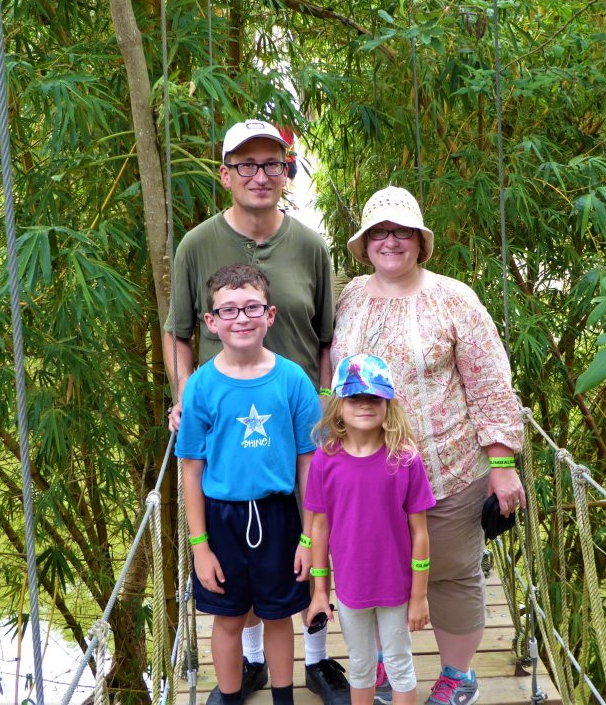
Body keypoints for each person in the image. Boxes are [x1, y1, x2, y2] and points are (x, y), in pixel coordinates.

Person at [162, 120, 348, 705]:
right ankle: (246, 670)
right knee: (239, 566)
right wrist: (187, 396)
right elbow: (179, 333)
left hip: (299, 417)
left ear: (287, 172)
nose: (259, 175)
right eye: (245, 165)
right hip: (224, 417)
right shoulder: (197, 245)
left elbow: (325, 339)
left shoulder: (311, 246)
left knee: (308, 539)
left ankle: (315, 660)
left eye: (272, 164)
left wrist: (325, 408)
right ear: (226, 175)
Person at [331, 187, 526, 705]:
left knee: (450, 572)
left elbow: (490, 383)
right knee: (374, 568)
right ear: (365, 243)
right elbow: (333, 376)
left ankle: (457, 675)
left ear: (420, 241)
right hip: (368, 472)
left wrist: (503, 463)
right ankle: (382, 666)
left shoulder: (454, 297)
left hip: (449, 467)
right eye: (379, 232)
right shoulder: (350, 296)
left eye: (401, 232)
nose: (390, 241)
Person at [176, 264, 320, 705]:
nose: (242, 318)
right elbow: (192, 470)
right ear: (211, 321)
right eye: (229, 310)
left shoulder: (293, 380)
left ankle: (283, 697)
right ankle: (231, 694)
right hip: (222, 519)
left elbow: (309, 465)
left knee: (278, 616)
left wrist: (308, 537)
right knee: (228, 617)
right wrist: (200, 547)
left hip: (278, 515)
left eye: (252, 307)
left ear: (270, 315)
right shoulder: (199, 387)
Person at [305, 354, 436, 705]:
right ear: (338, 405)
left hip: (396, 586)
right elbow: (319, 526)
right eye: (353, 397)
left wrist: (419, 596)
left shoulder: (406, 460)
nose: (364, 405)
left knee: (399, 663)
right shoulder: (325, 460)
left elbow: (420, 532)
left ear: (388, 403)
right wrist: (320, 591)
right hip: (350, 587)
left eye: (374, 398)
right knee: (361, 666)